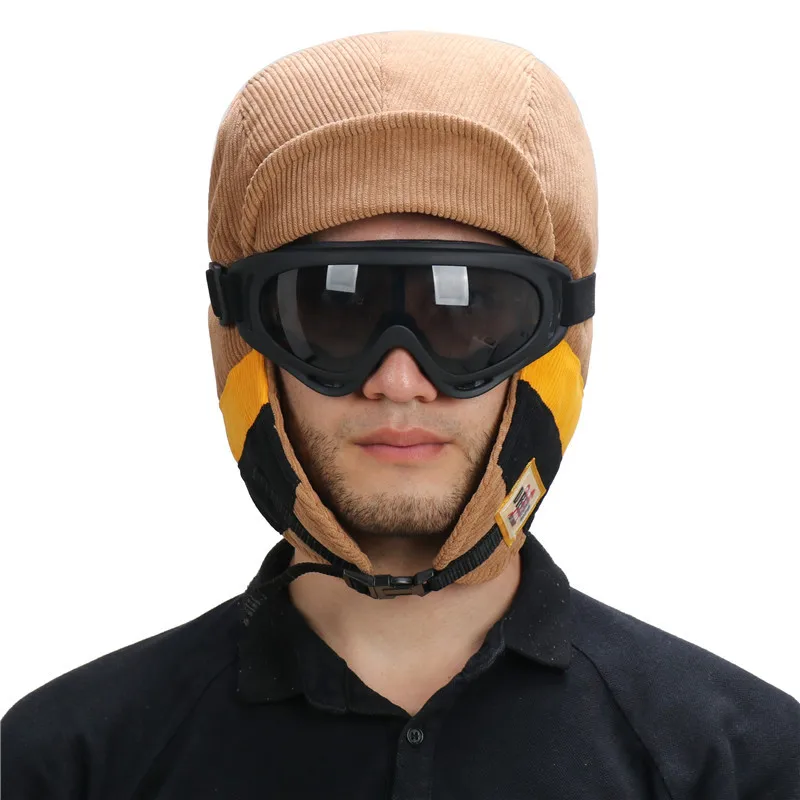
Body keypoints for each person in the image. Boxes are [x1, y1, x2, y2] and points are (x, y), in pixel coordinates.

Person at [2, 29, 798, 800]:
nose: (398, 380)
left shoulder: (743, 765)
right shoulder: (64, 767)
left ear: (557, 340)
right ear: (244, 343)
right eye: (331, 309)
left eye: (467, 311)